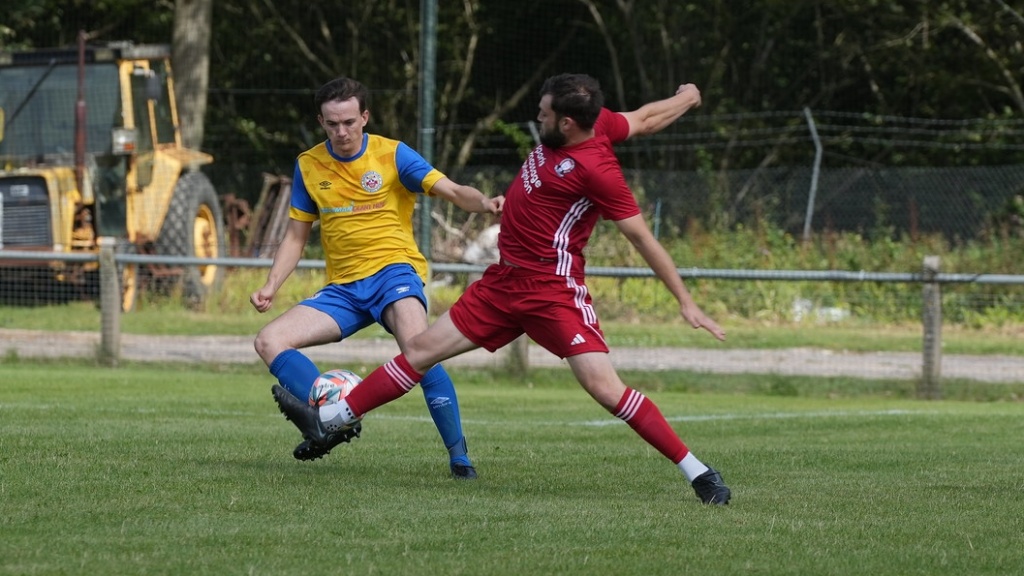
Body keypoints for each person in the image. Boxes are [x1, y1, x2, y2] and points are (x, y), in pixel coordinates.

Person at [272, 73, 732, 505]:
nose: (539, 117)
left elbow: (643, 239)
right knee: (418, 353)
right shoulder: (594, 122)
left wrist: (685, 302)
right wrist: (688, 98)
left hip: (552, 292)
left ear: (567, 123)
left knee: (604, 388)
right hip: (502, 283)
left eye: (545, 113)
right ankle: (333, 419)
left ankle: (699, 473)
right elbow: (645, 118)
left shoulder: (599, 170)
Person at [252, 77, 503, 480]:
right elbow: (296, 236)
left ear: (365, 117)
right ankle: (334, 418)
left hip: (394, 273)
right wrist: (271, 285)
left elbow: (453, 191)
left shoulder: (394, 155)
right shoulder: (308, 165)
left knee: (421, 350)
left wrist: (486, 204)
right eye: (332, 124)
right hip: (344, 289)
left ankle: (460, 459)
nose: (342, 131)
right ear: (321, 121)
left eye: (350, 121)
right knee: (269, 340)